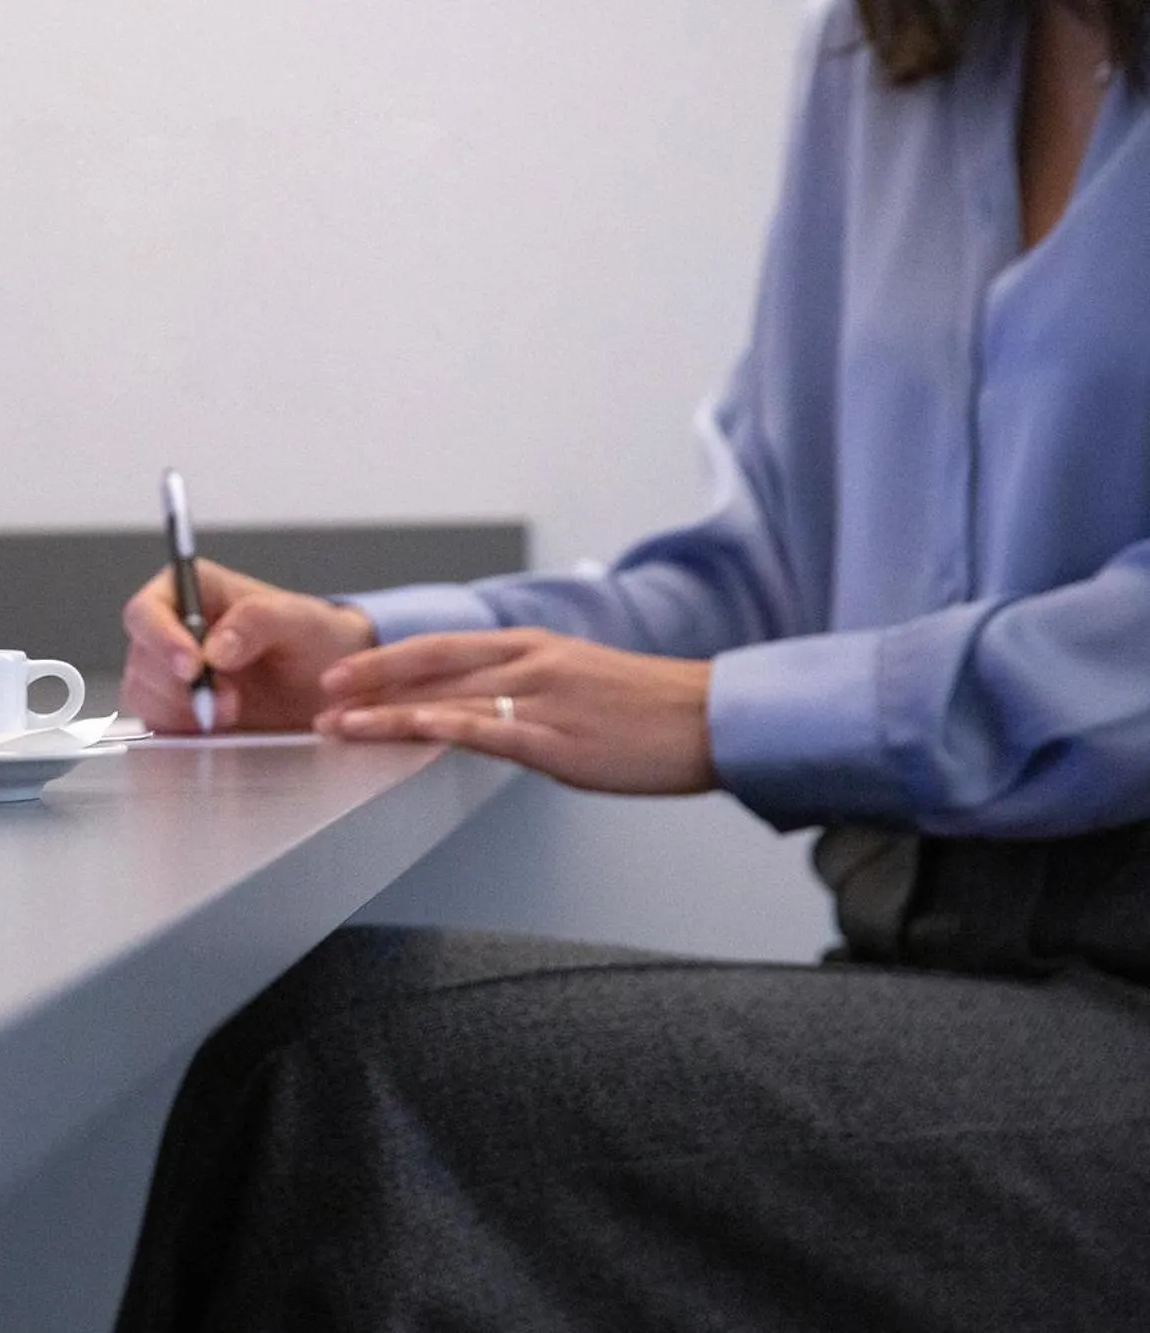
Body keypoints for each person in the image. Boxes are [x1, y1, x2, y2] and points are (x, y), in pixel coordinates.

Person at [112, 0, 1150, 1328]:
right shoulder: (888, 49)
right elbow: (776, 573)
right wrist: (373, 657)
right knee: (329, 1055)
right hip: (942, 966)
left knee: (346, 1091)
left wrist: (720, 715)